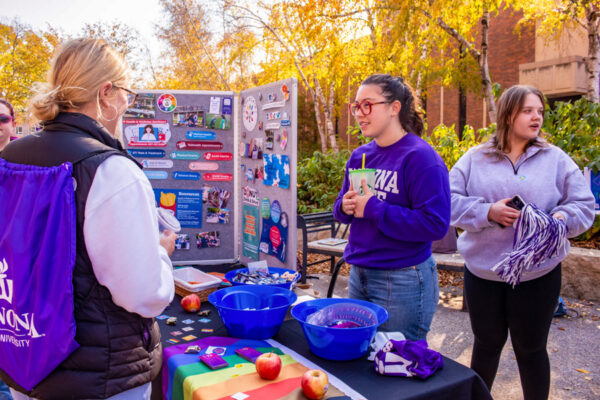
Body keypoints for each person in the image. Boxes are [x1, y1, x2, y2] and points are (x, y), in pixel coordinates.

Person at [0, 38, 177, 399]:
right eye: (126, 92)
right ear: (106, 93)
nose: (128, 103)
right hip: (102, 376)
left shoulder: (11, 157)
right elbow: (143, 294)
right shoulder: (111, 171)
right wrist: (160, 252)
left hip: (25, 356)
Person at [449, 85, 595, 400]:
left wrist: (559, 221)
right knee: (486, 346)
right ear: (508, 113)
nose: (536, 117)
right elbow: (447, 203)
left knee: (531, 350)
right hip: (484, 275)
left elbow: (583, 206)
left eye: (540, 111)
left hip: (538, 276)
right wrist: (488, 211)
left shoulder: (555, 159)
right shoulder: (475, 158)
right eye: (528, 110)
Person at [333, 74, 451, 341]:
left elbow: (435, 224)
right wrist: (345, 206)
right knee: (362, 357)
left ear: (394, 108)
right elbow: (342, 209)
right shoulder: (360, 155)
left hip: (402, 278)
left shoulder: (420, 158)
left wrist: (374, 208)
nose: (359, 114)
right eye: (356, 106)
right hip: (359, 272)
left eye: (368, 105)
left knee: (398, 365)